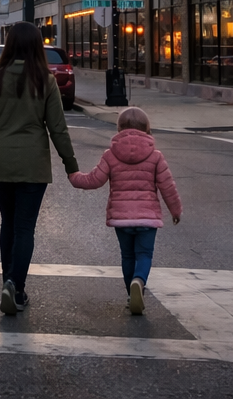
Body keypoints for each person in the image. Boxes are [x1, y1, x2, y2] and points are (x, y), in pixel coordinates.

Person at [0, 21, 77, 315]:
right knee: (24, 227)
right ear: (37, 46)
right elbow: (58, 128)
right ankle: (15, 286)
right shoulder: (45, 80)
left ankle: (7, 283)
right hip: (33, 164)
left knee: (8, 224)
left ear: (9, 45)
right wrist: (71, 165)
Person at [68, 106, 182, 315]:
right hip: (148, 219)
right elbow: (168, 187)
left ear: (119, 128)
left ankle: (131, 295)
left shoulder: (110, 155)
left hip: (121, 219)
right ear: (147, 128)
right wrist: (176, 211)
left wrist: (74, 176)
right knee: (144, 254)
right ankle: (139, 281)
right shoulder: (156, 156)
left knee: (127, 256)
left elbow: (94, 180)